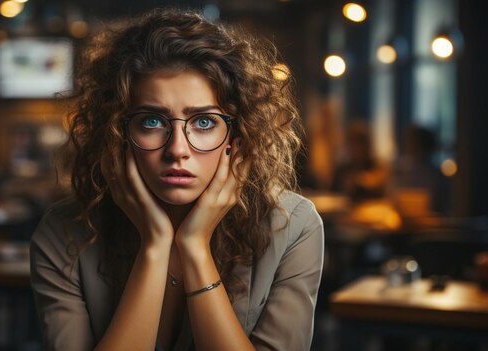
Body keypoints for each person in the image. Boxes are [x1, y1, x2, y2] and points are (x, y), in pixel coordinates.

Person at [30, 9, 324, 351]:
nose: (177, 150)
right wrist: (154, 247)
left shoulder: (293, 226)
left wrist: (195, 248)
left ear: (238, 137)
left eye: (203, 122)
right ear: (117, 135)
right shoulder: (63, 231)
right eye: (152, 122)